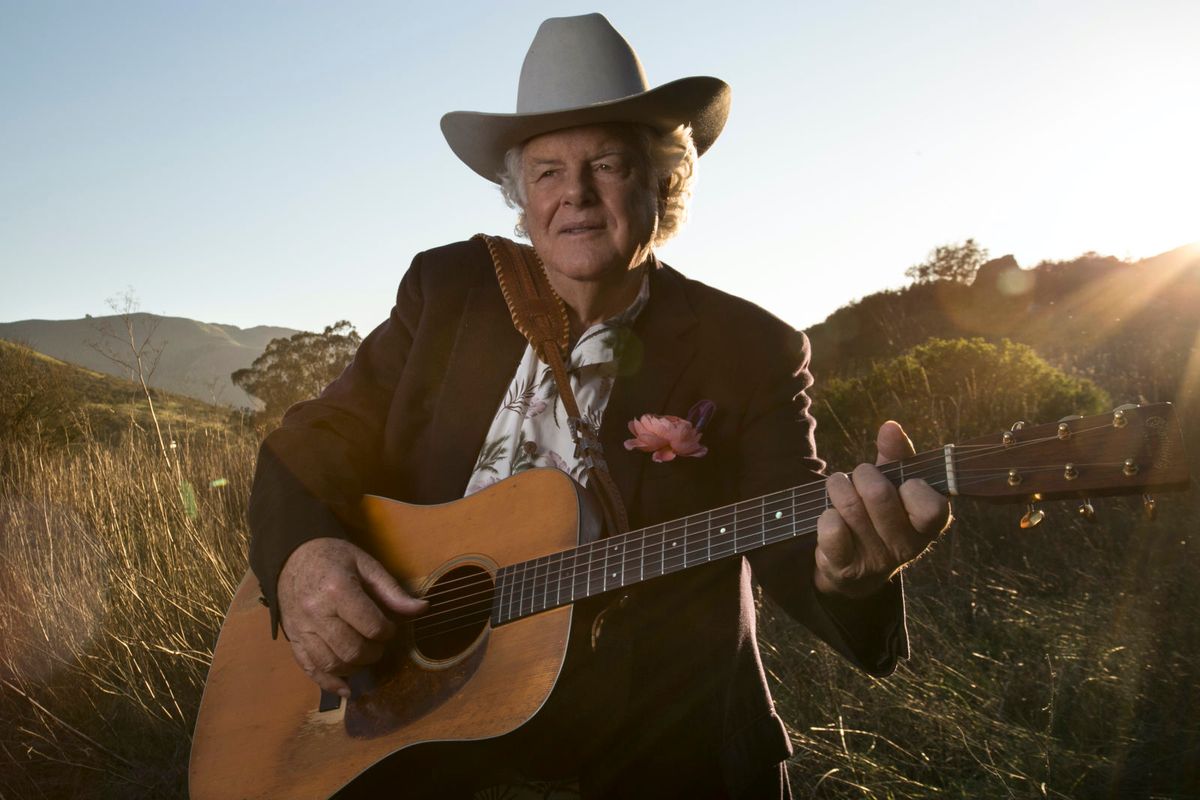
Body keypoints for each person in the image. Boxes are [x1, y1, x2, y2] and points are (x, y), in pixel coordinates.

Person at [247, 13, 949, 799]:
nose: (574, 194)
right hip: (422, 737)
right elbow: (315, 438)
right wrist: (301, 555)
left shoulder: (749, 346)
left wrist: (847, 575)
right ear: (519, 192)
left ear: (663, 181)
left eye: (607, 164)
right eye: (547, 171)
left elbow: (793, 535)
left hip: (657, 755)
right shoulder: (448, 291)